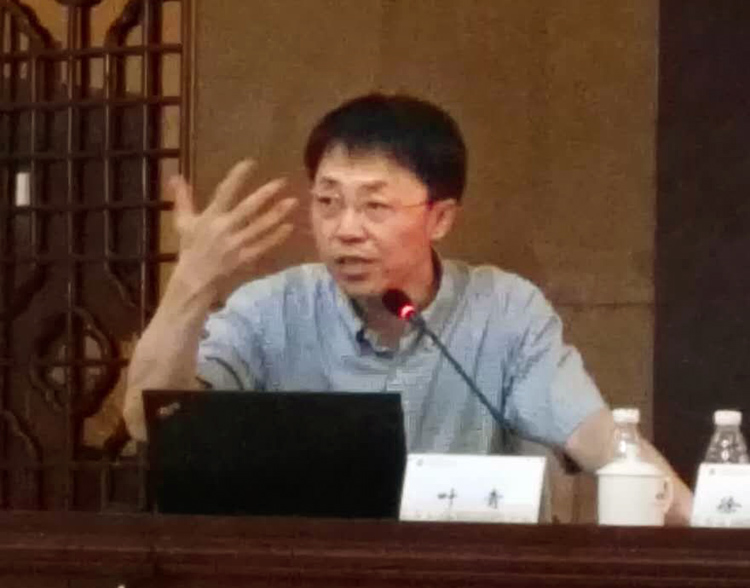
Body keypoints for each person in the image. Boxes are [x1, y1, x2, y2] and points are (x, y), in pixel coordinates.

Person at [122, 93, 692, 523]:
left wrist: (712, 531)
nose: (346, 229)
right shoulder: (270, 310)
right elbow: (146, 422)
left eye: (374, 206)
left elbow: (600, 443)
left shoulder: (504, 311)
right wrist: (191, 281)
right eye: (327, 201)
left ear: (440, 218)